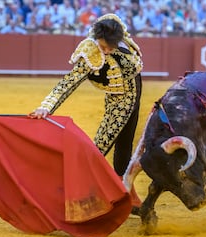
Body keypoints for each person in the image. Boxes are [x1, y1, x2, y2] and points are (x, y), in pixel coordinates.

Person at [29, 13, 143, 185]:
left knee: (125, 146)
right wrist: (46, 106)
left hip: (135, 97)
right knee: (98, 149)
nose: (106, 51)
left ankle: (126, 192)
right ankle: (71, 188)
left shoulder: (115, 28)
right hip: (119, 103)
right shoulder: (90, 52)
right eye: (104, 47)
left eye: (110, 48)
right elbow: (68, 82)